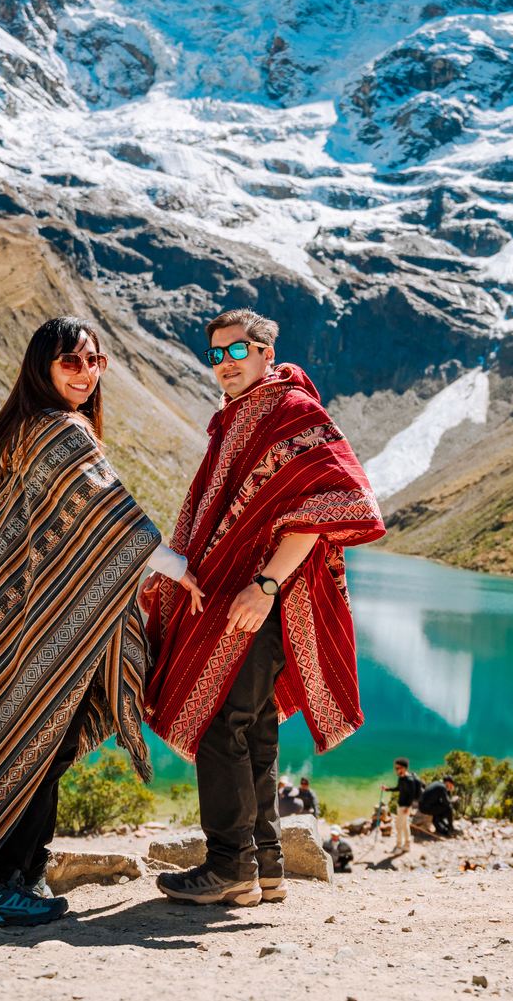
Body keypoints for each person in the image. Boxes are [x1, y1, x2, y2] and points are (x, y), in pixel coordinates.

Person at [0, 317, 204, 933]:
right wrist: (180, 571)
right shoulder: (59, 431)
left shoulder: (23, 428)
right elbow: (110, 520)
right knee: (32, 747)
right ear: (42, 367)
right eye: (71, 361)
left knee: (29, 744)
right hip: (37, 630)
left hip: (14, 624)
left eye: (95, 361)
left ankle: (19, 873)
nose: (86, 373)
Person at [143, 308, 385, 907]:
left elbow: (331, 504)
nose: (225, 364)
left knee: (221, 723)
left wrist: (267, 585)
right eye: (216, 355)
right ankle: (265, 863)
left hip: (264, 599)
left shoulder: (292, 410)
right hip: (239, 596)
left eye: (237, 351)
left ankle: (230, 865)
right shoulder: (236, 417)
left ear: (265, 352)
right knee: (253, 726)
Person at [382, 758, 424, 854]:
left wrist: (407, 807)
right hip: (401, 805)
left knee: (398, 827)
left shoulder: (409, 780)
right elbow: (398, 788)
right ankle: (407, 845)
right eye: (395, 768)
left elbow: (412, 795)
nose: (396, 770)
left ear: (404, 768)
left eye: (398, 768)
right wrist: (387, 789)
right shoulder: (401, 778)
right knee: (405, 825)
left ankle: (398, 847)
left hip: (405, 807)